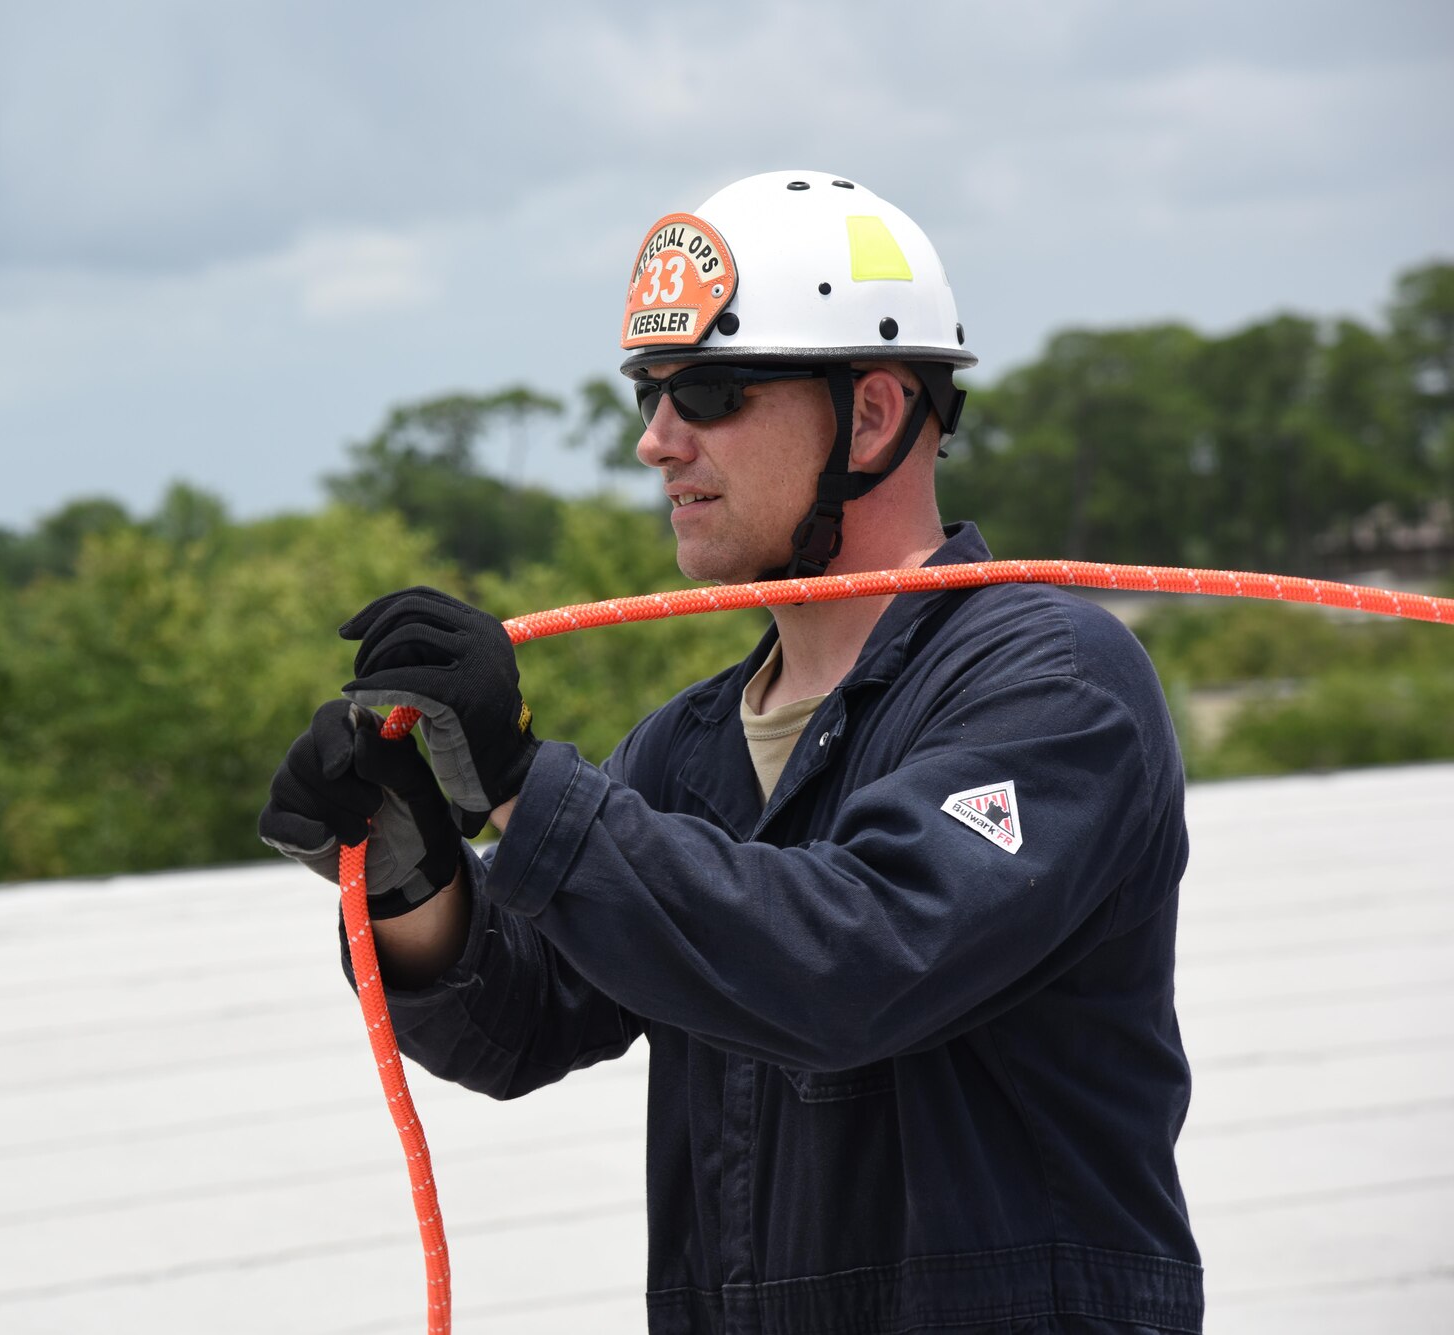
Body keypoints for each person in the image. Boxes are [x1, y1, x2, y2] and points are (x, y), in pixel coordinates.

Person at [261, 170, 1203, 1334]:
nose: (657, 443)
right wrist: (411, 868)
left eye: (707, 392)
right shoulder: (685, 746)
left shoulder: (1050, 680)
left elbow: (855, 959)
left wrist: (514, 781)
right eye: (649, 396)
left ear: (870, 414)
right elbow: (515, 1018)